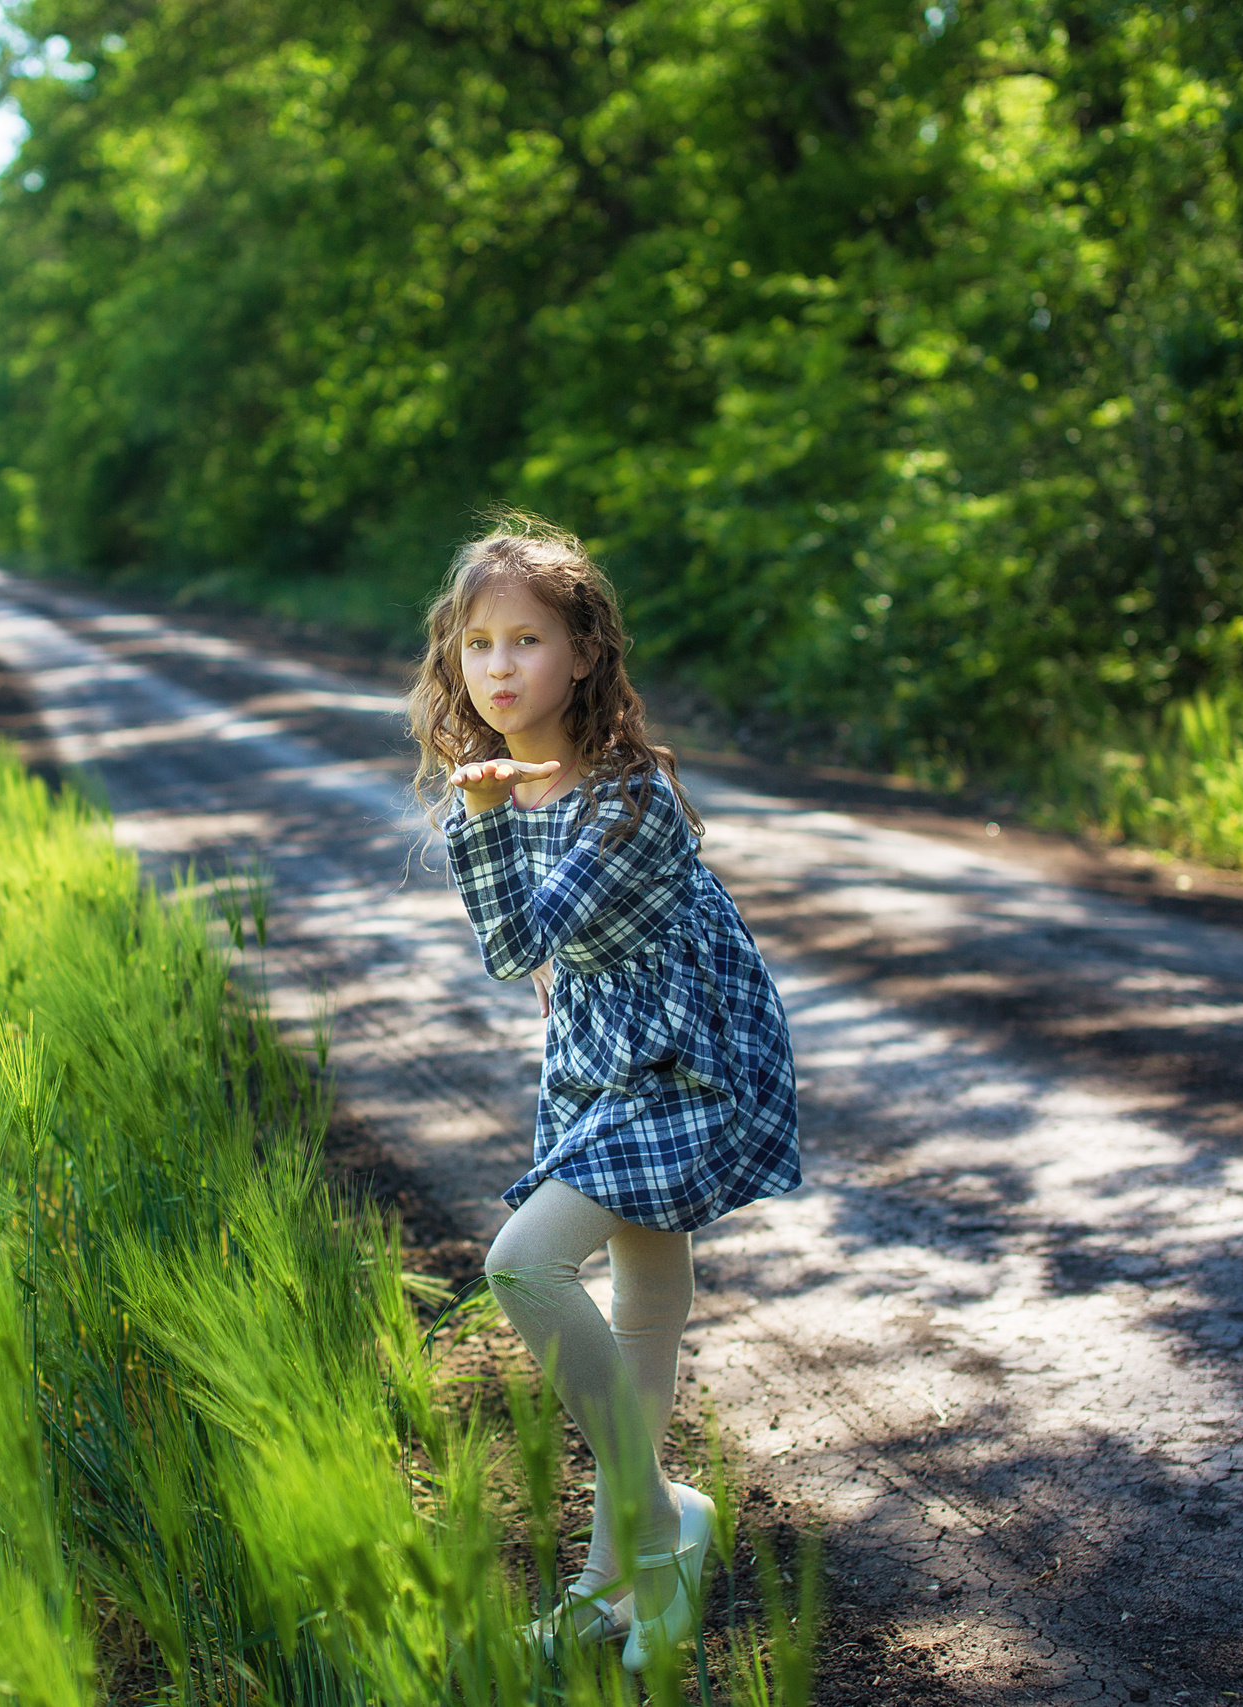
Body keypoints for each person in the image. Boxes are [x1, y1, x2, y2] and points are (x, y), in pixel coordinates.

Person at [409, 512, 802, 1671]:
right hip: (603, 1070)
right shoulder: (514, 794)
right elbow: (539, 970)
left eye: (525, 641)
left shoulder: (627, 802)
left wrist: (478, 817)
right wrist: (485, 812)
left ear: (583, 654)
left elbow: (517, 941)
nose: (497, 668)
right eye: (477, 645)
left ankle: (656, 1517)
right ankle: (614, 1587)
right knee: (641, 1305)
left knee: (522, 1264)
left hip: (688, 1069)